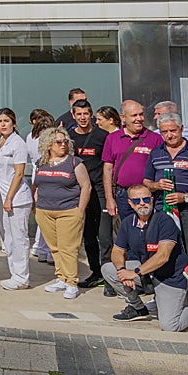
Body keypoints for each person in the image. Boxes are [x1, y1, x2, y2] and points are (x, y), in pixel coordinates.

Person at [102, 187, 188, 331]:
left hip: (170, 277)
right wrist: (122, 271)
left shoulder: (164, 221)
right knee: (108, 269)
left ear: (152, 200)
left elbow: (163, 256)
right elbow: (117, 251)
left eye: (146, 199)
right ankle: (138, 308)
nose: (142, 203)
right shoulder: (128, 222)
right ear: (130, 203)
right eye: (137, 200)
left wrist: (135, 273)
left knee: (170, 326)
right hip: (148, 273)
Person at [143, 111, 188, 261]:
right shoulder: (155, 153)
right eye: (165, 132)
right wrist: (156, 185)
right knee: (165, 253)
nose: (169, 135)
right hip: (163, 210)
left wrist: (185, 197)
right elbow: (146, 182)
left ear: (181, 129)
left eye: (173, 130)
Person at [33, 127, 91, 299]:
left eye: (65, 141)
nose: (63, 144)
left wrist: (80, 209)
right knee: (55, 248)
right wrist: (37, 204)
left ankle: (72, 282)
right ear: (48, 144)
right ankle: (61, 278)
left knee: (69, 248)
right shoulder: (41, 163)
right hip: (45, 211)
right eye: (58, 142)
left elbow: (86, 187)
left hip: (68, 211)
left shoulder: (75, 162)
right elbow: (36, 185)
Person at [65, 98, 109, 290]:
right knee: (88, 236)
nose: (83, 118)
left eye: (86, 114)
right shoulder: (68, 137)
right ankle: (96, 272)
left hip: (100, 190)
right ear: (73, 115)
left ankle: (109, 276)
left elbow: (109, 164)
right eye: (79, 114)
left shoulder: (103, 136)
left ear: (91, 115)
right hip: (78, 192)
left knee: (105, 236)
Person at [0, 108, 32, 290]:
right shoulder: (1, 141)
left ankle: (22, 277)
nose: (3, 124)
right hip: (2, 197)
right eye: (0, 121)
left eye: (6, 121)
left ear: (13, 123)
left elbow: (19, 173)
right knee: (8, 238)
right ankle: (14, 273)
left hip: (16, 198)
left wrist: (9, 198)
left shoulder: (18, 143)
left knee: (19, 237)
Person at [104, 100, 162, 223]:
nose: (139, 119)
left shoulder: (155, 139)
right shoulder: (112, 138)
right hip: (123, 195)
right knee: (129, 231)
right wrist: (109, 198)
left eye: (141, 114)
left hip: (147, 195)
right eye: (134, 115)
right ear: (123, 118)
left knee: (151, 230)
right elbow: (108, 169)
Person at [27, 108, 56, 265]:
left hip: (37, 176)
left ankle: (41, 248)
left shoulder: (30, 137)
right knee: (49, 215)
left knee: (42, 215)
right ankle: (48, 250)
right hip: (47, 176)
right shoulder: (46, 141)